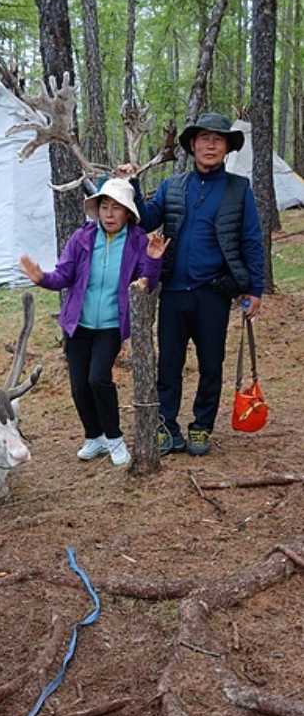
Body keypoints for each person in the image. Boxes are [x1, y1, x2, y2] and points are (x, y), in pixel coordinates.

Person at [119, 112, 264, 457]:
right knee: (168, 364)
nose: (210, 144)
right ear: (193, 145)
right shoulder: (172, 186)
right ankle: (166, 426)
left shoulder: (238, 189)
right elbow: (145, 219)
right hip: (172, 292)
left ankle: (201, 427)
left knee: (211, 364)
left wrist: (254, 288)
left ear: (227, 147)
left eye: (218, 139)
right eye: (203, 138)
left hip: (214, 292)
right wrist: (134, 185)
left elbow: (252, 240)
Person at [19, 178, 168, 466]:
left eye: (117, 208)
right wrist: (41, 278)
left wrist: (153, 259)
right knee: (79, 385)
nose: (110, 214)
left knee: (98, 378)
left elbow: (146, 284)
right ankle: (94, 437)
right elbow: (64, 276)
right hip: (78, 324)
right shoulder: (82, 238)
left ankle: (114, 438)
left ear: (128, 213)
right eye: (104, 207)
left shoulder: (138, 241)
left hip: (111, 326)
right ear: (97, 210)